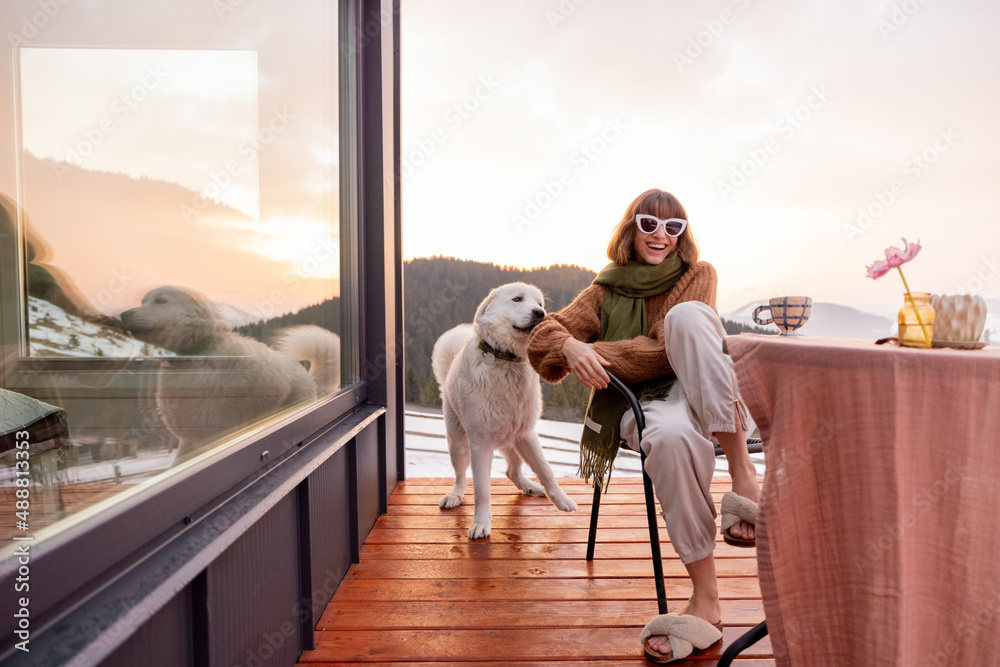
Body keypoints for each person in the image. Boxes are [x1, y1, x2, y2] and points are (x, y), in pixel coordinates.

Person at [527, 188, 760, 663]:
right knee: (670, 439)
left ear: (682, 235)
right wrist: (571, 348)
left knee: (689, 318)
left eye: (672, 227)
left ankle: (744, 478)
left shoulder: (698, 275)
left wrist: (598, 354)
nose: (660, 235)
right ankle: (708, 599)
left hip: (705, 392)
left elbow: (664, 350)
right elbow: (541, 338)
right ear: (631, 228)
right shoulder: (603, 291)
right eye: (649, 224)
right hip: (644, 405)